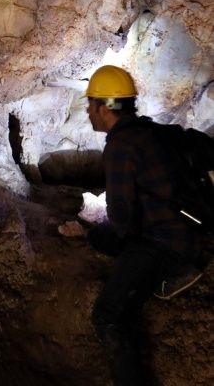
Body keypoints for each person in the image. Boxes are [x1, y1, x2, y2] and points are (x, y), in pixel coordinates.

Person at [84, 65, 203, 386]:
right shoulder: (150, 131)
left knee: (107, 317)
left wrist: (105, 232)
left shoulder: (120, 147)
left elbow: (122, 221)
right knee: (99, 236)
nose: (87, 110)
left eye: (91, 103)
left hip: (165, 244)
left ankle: (176, 272)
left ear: (105, 107)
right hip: (189, 228)